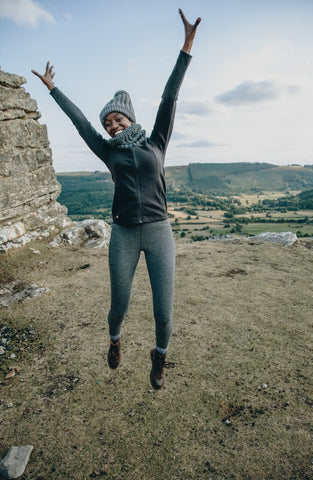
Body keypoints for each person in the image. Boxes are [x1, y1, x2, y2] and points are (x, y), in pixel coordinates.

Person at [32, 9, 201, 390]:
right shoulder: (108, 151)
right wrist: (53, 89)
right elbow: (80, 123)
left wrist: (186, 48)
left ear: (130, 119)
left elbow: (169, 97)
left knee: (164, 311)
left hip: (159, 231)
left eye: (117, 120)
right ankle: (115, 341)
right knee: (118, 306)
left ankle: (159, 357)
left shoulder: (157, 140)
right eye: (108, 122)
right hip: (124, 232)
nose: (111, 126)